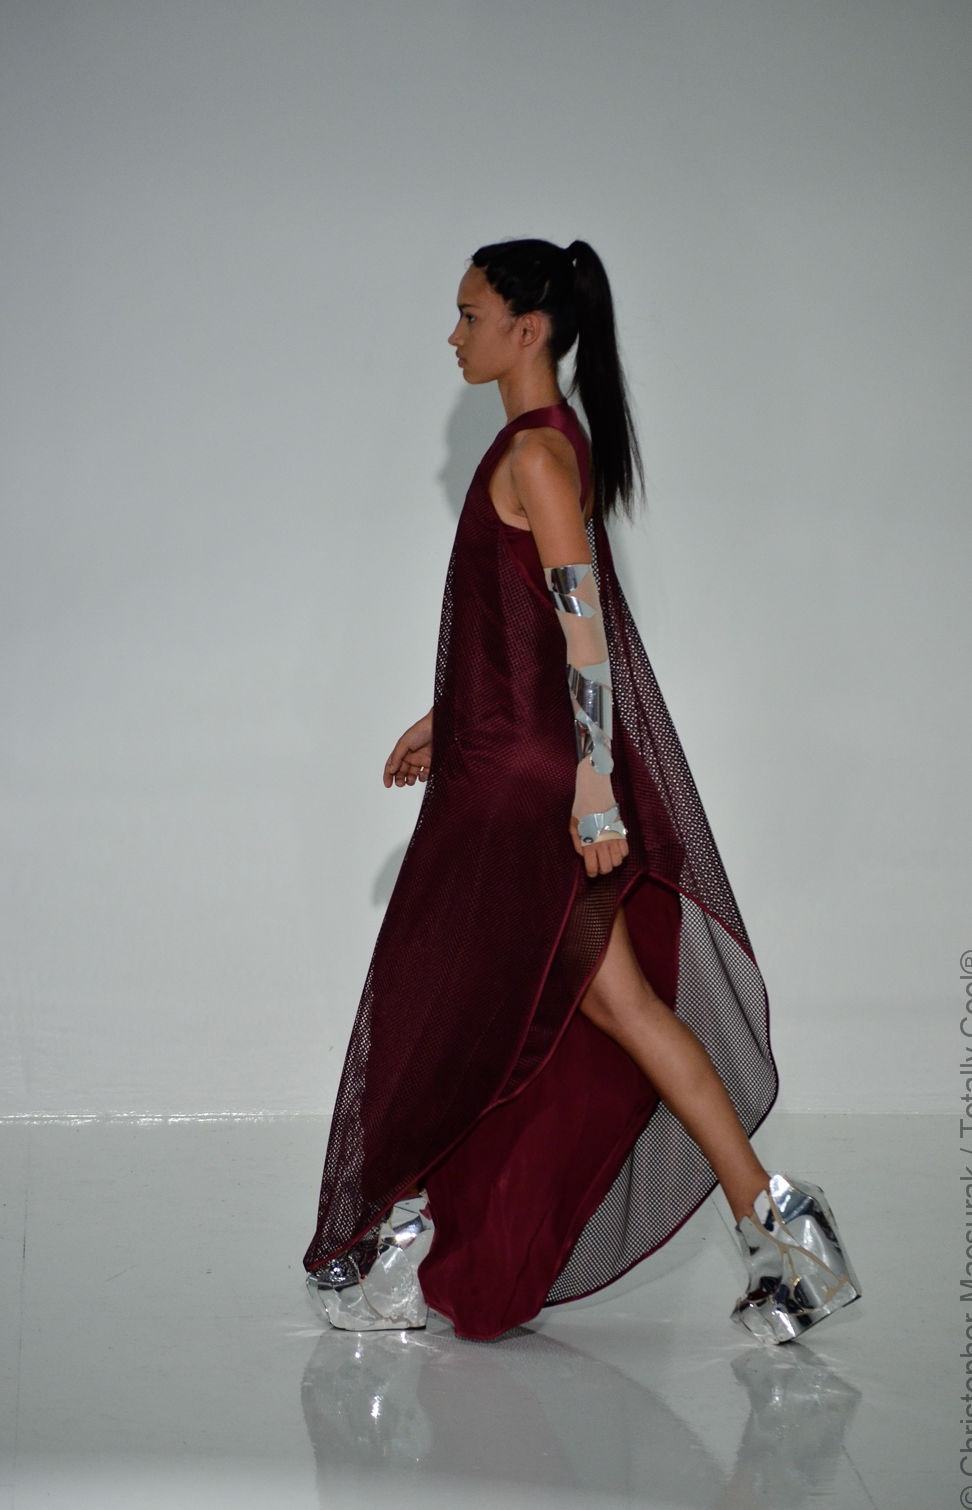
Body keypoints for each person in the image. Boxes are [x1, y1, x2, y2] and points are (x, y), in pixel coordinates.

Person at [305, 239, 860, 1345]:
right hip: (509, 769)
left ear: (528, 330)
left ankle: (395, 1242)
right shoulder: (546, 446)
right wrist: (452, 715)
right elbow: (523, 621)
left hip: (524, 802)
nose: (452, 335)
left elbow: (585, 635)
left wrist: (596, 784)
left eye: (469, 315)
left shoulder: (539, 458)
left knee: (451, 1010)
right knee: (613, 1011)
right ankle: (788, 1239)